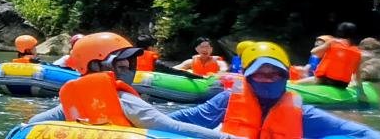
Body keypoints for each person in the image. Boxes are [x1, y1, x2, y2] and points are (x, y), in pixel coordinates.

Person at [25, 32, 231, 139]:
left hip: (145, 122)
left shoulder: (72, 102)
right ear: (95, 64)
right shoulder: (124, 100)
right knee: (218, 103)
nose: (127, 65)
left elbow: (32, 124)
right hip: (152, 126)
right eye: (120, 61)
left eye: (129, 61)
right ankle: (229, 97)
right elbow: (172, 127)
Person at [167, 41, 380, 139]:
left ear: (285, 77)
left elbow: (360, 132)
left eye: (275, 74)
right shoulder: (226, 101)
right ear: (249, 77)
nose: (268, 79)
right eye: (260, 73)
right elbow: (177, 120)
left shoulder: (303, 114)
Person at [305, 24, 363, 90]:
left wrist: (326, 48)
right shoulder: (358, 52)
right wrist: (361, 92)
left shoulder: (333, 42)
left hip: (324, 80)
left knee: (299, 82)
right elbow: (357, 74)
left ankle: (293, 85)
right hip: (342, 84)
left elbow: (313, 52)